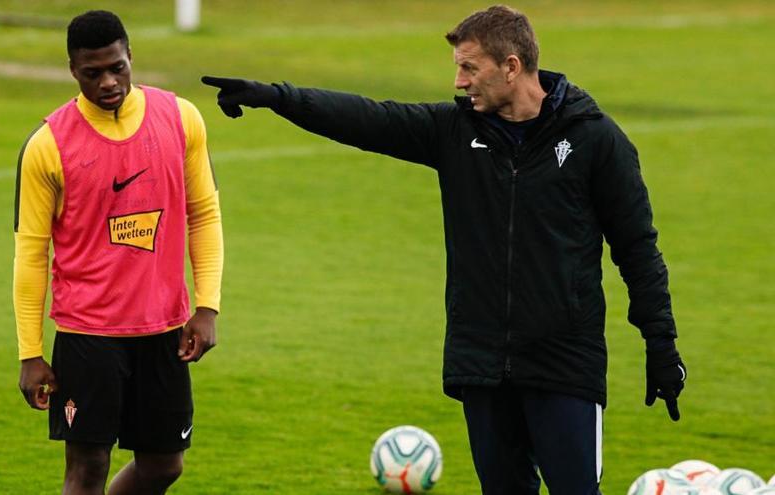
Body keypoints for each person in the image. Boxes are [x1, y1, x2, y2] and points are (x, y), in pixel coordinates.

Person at [202, 5, 685, 495]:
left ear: (512, 66)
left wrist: (661, 344)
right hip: (481, 363)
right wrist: (276, 97)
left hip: (563, 363)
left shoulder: (597, 141)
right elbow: (366, 118)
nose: (459, 81)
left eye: (469, 67)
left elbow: (638, 250)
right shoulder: (454, 132)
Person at [13, 10, 223, 494]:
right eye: (93, 73)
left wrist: (207, 306)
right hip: (88, 334)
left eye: (117, 68)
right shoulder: (48, 145)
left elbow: (205, 215)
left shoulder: (181, 117)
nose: (108, 82)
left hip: (164, 328)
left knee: (164, 465)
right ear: (72, 70)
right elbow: (31, 253)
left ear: (131, 56)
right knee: (87, 468)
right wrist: (31, 352)